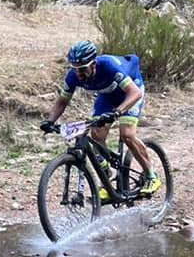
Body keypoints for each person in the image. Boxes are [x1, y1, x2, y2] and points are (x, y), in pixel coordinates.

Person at [40, 40, 161, 199]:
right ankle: (106, 175)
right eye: (75, 69)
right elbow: (62, 101)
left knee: (127, 134)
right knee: (96, 134)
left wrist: (118, 112)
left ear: (94, 64)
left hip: (130, 92)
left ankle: (151, 176)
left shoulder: (108, 66)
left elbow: (135, 93)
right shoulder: (73, 76)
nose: (79, 74)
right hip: (108, 96)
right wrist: (50, 121)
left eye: (83, 69)